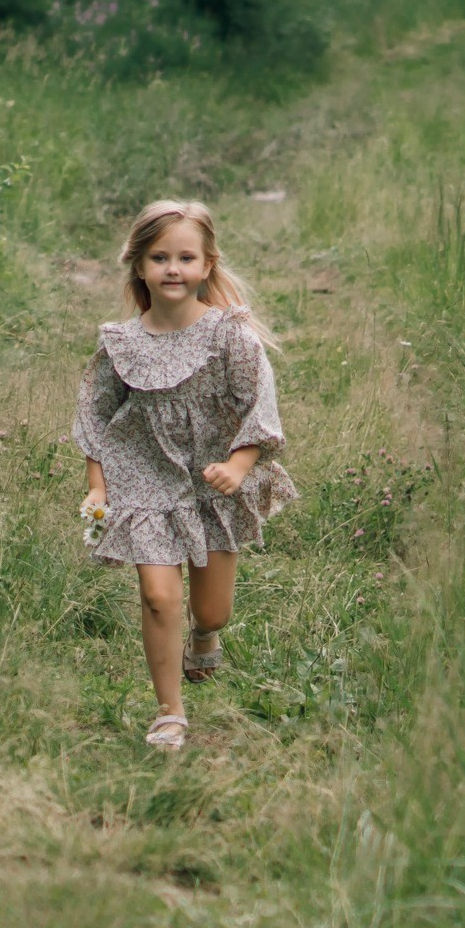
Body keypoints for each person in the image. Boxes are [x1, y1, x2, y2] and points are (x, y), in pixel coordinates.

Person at [74, 199, 297, 752]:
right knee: (156, 594)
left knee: (213, 609)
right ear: (139, 266)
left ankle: (204, 635)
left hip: (213, 480)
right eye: (159, 257)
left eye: (185, 257)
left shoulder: (230, 335)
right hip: (143, 475)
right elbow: (94, 415)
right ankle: (169, 712)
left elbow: (258, 406)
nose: (172, 268)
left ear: (206, 265)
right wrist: (97, 484)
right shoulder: (121, 342)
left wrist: (240, 464)